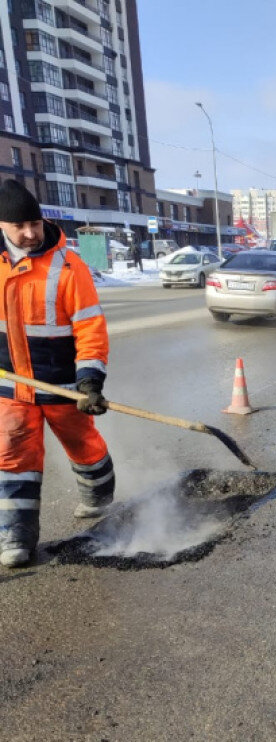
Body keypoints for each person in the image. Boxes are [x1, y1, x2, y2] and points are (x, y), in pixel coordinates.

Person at [0, 179, 114, 568]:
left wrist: (90, 380)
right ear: (2, 226)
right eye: (20, 226)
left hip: (64, 383)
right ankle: (16, 535)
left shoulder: (68, 266)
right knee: (13, 454)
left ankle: (99, 495)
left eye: (34, 223)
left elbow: (90, 326)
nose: (30, 233)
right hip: (11, 384)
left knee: (82, 444)